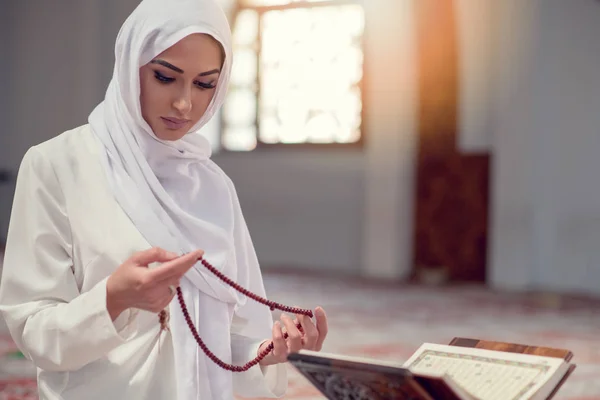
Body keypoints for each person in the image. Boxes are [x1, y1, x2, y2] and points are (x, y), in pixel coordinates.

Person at [0, 0, 328, 399]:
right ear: (130, 65)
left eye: (205, 84)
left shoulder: (211, 185)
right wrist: (112, 300)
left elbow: (220, 335)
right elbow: (35, 332)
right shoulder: (57, 165)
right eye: (165, 77)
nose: (184, 104)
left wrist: (263, 350)